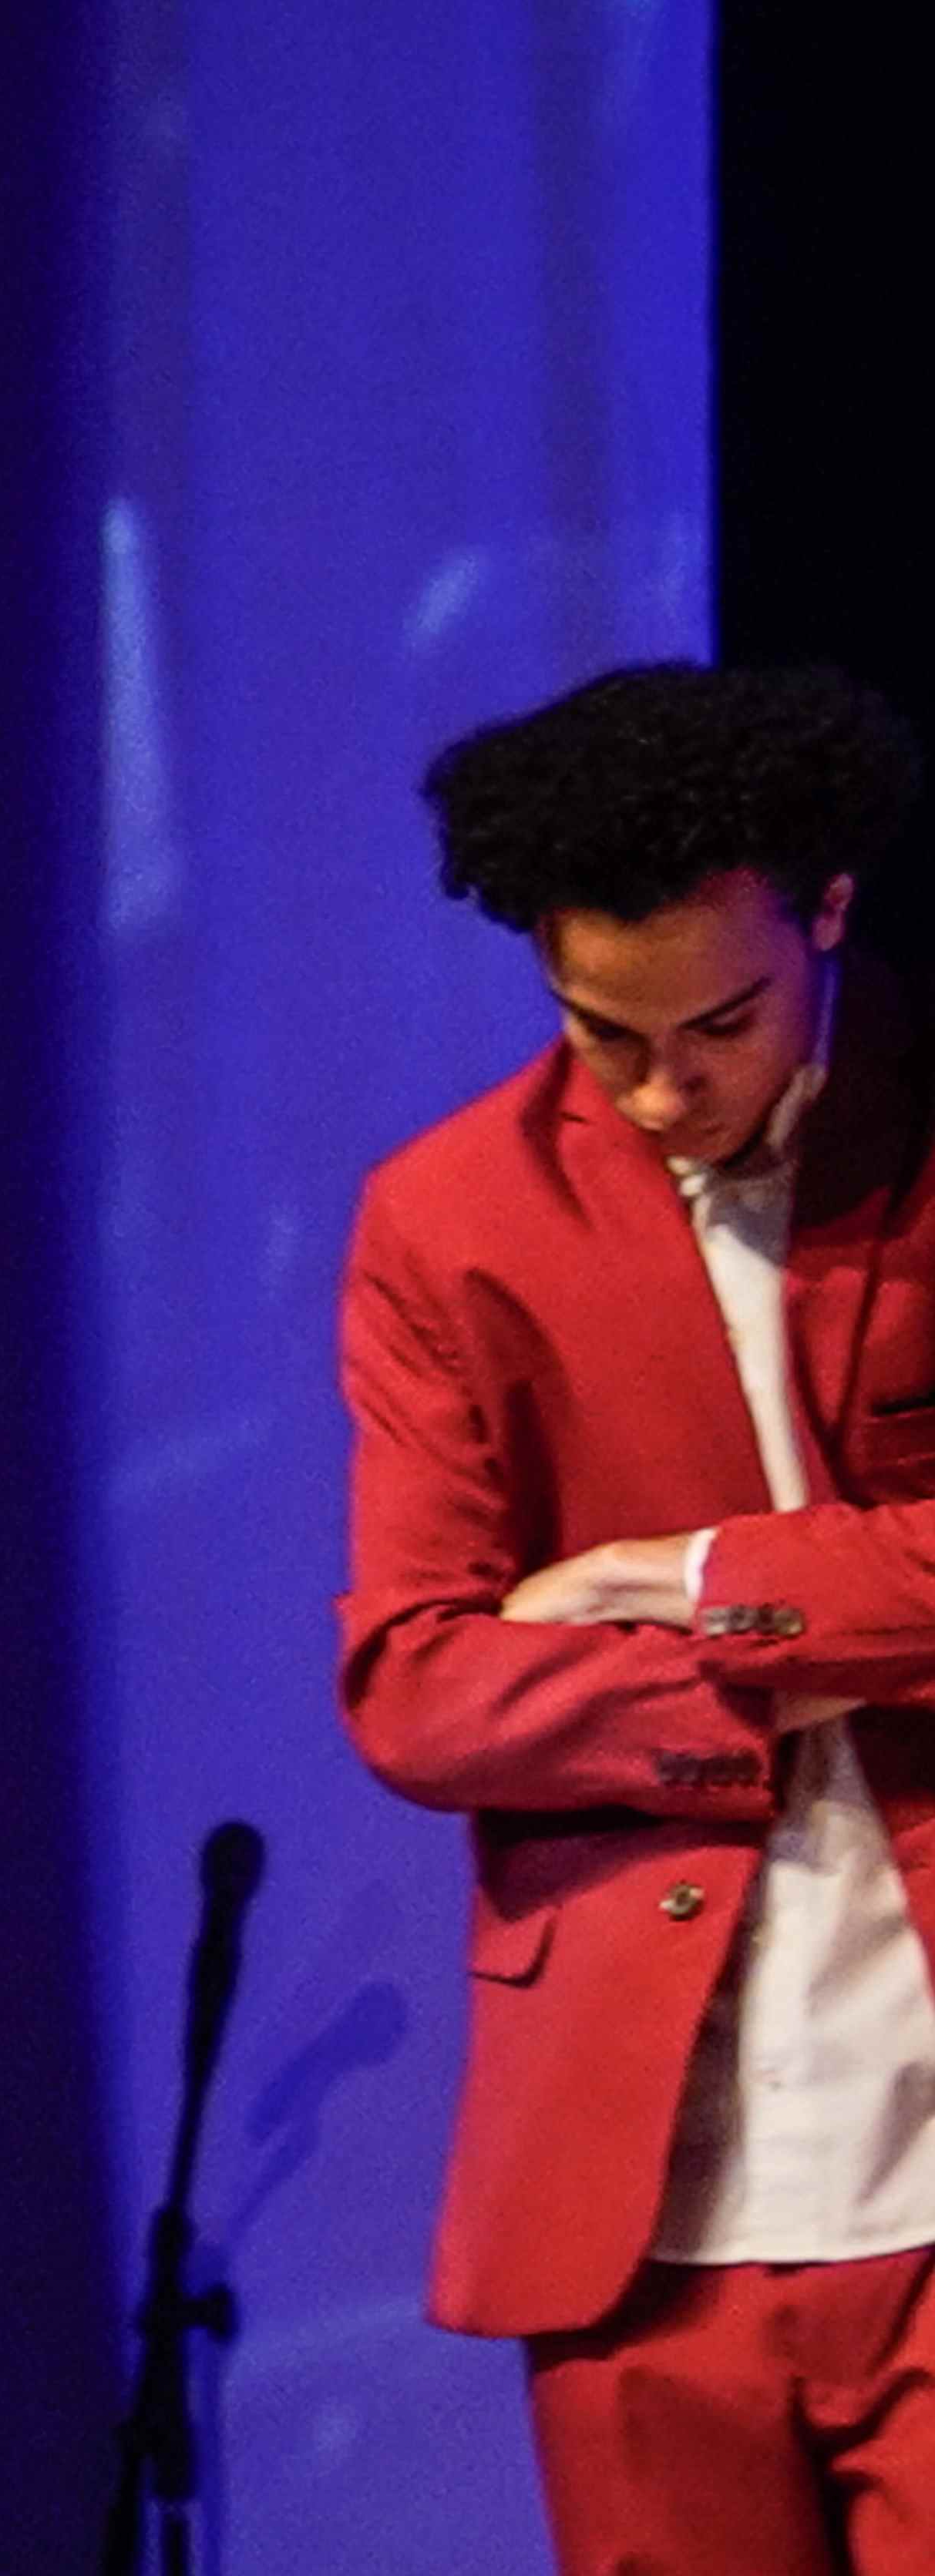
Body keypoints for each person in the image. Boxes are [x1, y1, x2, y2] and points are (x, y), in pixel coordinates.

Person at [339, 658, 935, 2572]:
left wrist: (691, 1580)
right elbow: (416, 1684)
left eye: (721, 1025)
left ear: (827, 910)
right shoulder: (448, 1221)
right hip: (643, 2189)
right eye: (606, 1033)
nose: (667, 1089)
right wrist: (778, 1679)